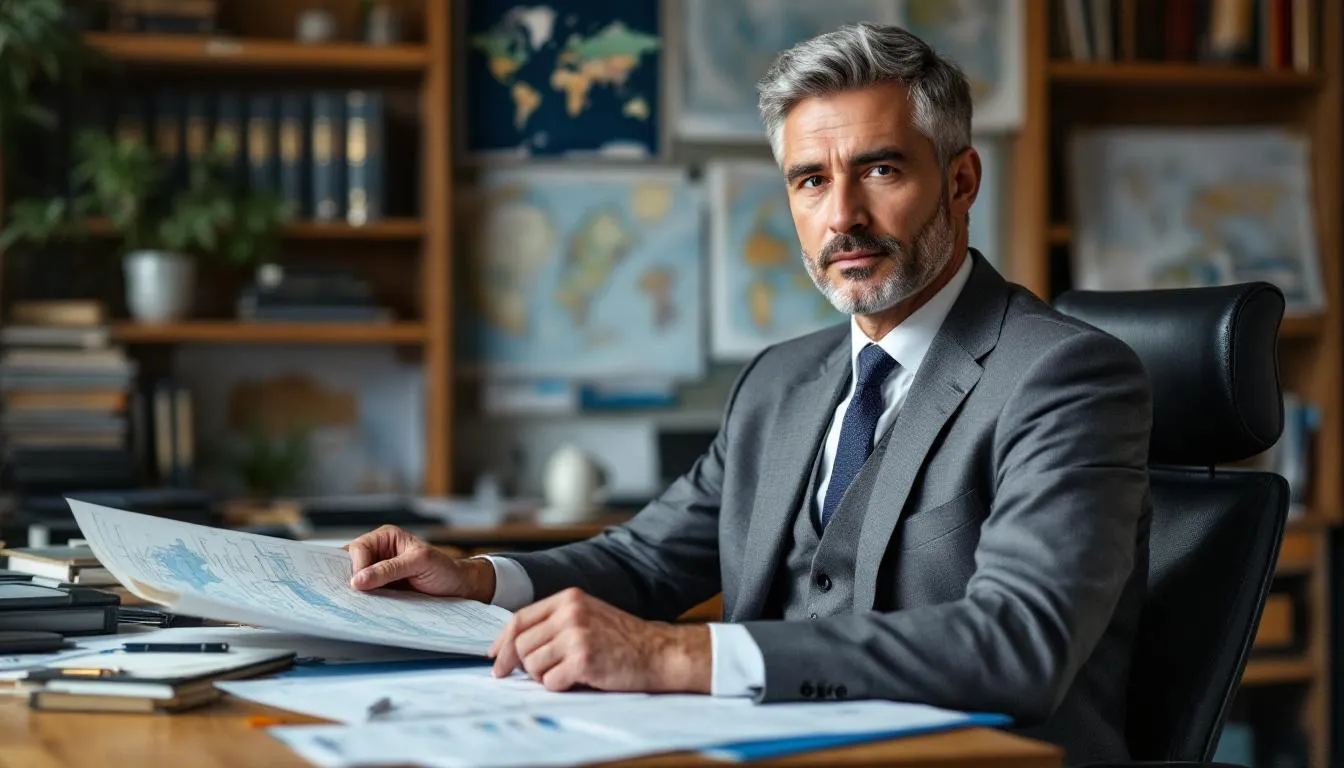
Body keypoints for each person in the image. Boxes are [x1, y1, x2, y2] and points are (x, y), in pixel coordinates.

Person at [347, 22, 1152, 765]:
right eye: (809, 180)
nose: (843, 215)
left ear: (961, 180)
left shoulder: (1064, 376)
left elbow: (1018, 644)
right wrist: (477, 579)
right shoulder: (778, 382)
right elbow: (644, 561)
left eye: (880, 168)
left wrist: (676, 654)